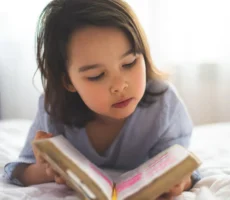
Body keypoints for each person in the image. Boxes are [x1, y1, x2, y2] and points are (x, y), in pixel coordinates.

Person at [3, 0, 201, 199]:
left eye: (130, 63)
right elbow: (20, 171)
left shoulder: (163, 103)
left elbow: (183, 168)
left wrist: (181, 181)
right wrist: (44, 170)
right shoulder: (54, 107)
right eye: (97, 75)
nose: (119, 86)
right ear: (68, 81)